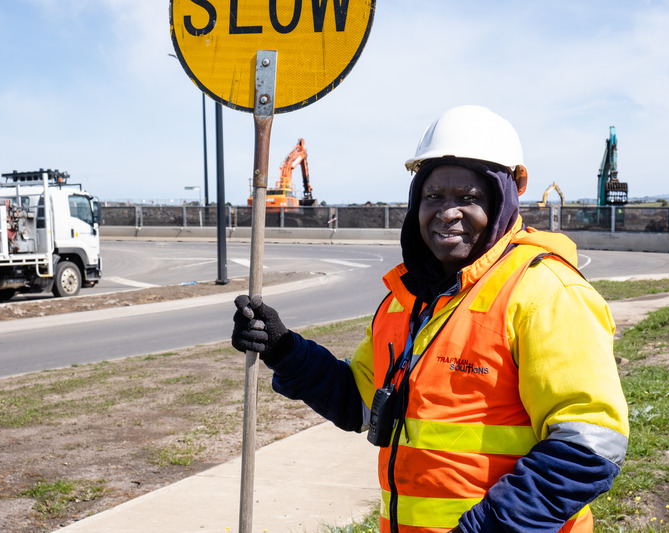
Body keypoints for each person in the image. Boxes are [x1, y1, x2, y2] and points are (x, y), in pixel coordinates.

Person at [232, 105, 629, 533]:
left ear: (504, 197)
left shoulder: (545, 292)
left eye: (468, 198)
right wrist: (285, 351)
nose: (447, 212)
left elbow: (590, 445)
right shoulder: (407, 301)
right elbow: (361, 403)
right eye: (433, 196)